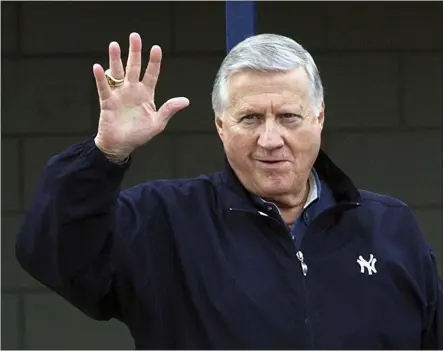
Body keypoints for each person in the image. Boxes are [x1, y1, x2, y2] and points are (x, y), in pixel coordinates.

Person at [16, 32, 442, 349]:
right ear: (221, 126)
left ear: (319, 118)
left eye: (289, 117)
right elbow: (52, 255)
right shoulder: (162, 222)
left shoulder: (390, 228)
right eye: (251, 119)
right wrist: (104, 155)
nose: (271, 139)